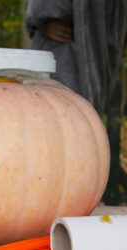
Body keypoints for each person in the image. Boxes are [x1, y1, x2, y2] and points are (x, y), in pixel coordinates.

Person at [26, 0, 127, 205]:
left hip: (100, 47)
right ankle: (50, 200)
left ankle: (76, 197)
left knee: (83, 128)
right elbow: (41, 11)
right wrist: (40, 21)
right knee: (56, 125)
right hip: (63, 53)